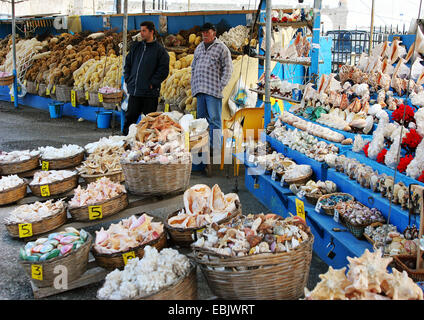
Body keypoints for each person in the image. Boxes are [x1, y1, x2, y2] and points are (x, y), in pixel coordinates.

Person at [191, 22, 233, 160]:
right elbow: (193, 66)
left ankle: (215, 153)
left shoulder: (221, 48)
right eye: (203, 33)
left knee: (214, 120)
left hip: (213, 90)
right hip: (199, 89)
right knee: (201, 122)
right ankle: (202, 153)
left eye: (207, 32)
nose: (204, 35)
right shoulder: (199, 47)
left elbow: (228, 69)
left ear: (213, 33)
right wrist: (193, 83)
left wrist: (221, 85)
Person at [123, 21, 169, 135]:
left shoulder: (159, 50)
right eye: (141, 30)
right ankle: (126, 140)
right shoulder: (136, 47)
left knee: (150, 121)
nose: (141, 33)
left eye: (144, 31)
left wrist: (153, 83)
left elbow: (163, 70)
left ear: (151, 32)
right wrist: (128, 79)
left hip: (150, 93)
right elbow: (127, 64)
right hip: (135, 91)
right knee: (130, 118)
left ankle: (148, 146)